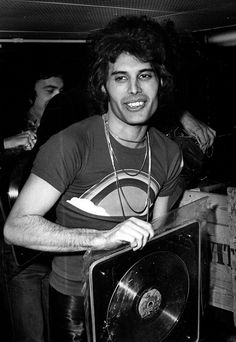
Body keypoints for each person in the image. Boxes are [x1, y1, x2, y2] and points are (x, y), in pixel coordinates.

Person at [4, 14, 184, 341]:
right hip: (76, 297)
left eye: (145, 75)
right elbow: (16, 227)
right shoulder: (70, 144)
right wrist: (100, 239)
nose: (134, 89)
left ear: (160, 81)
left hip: (135, 293)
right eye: (120, 78)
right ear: (103, 86)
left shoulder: (170, 153)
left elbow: (160, 233)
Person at [0, 68, 64, 342]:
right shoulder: (10, 125)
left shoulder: (63, 131)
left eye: (61, 92)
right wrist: (7, 143)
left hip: (54, 243)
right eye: (49, 91)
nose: (57, 98)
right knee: (31, 331)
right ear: (30, 97)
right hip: (19, 250)